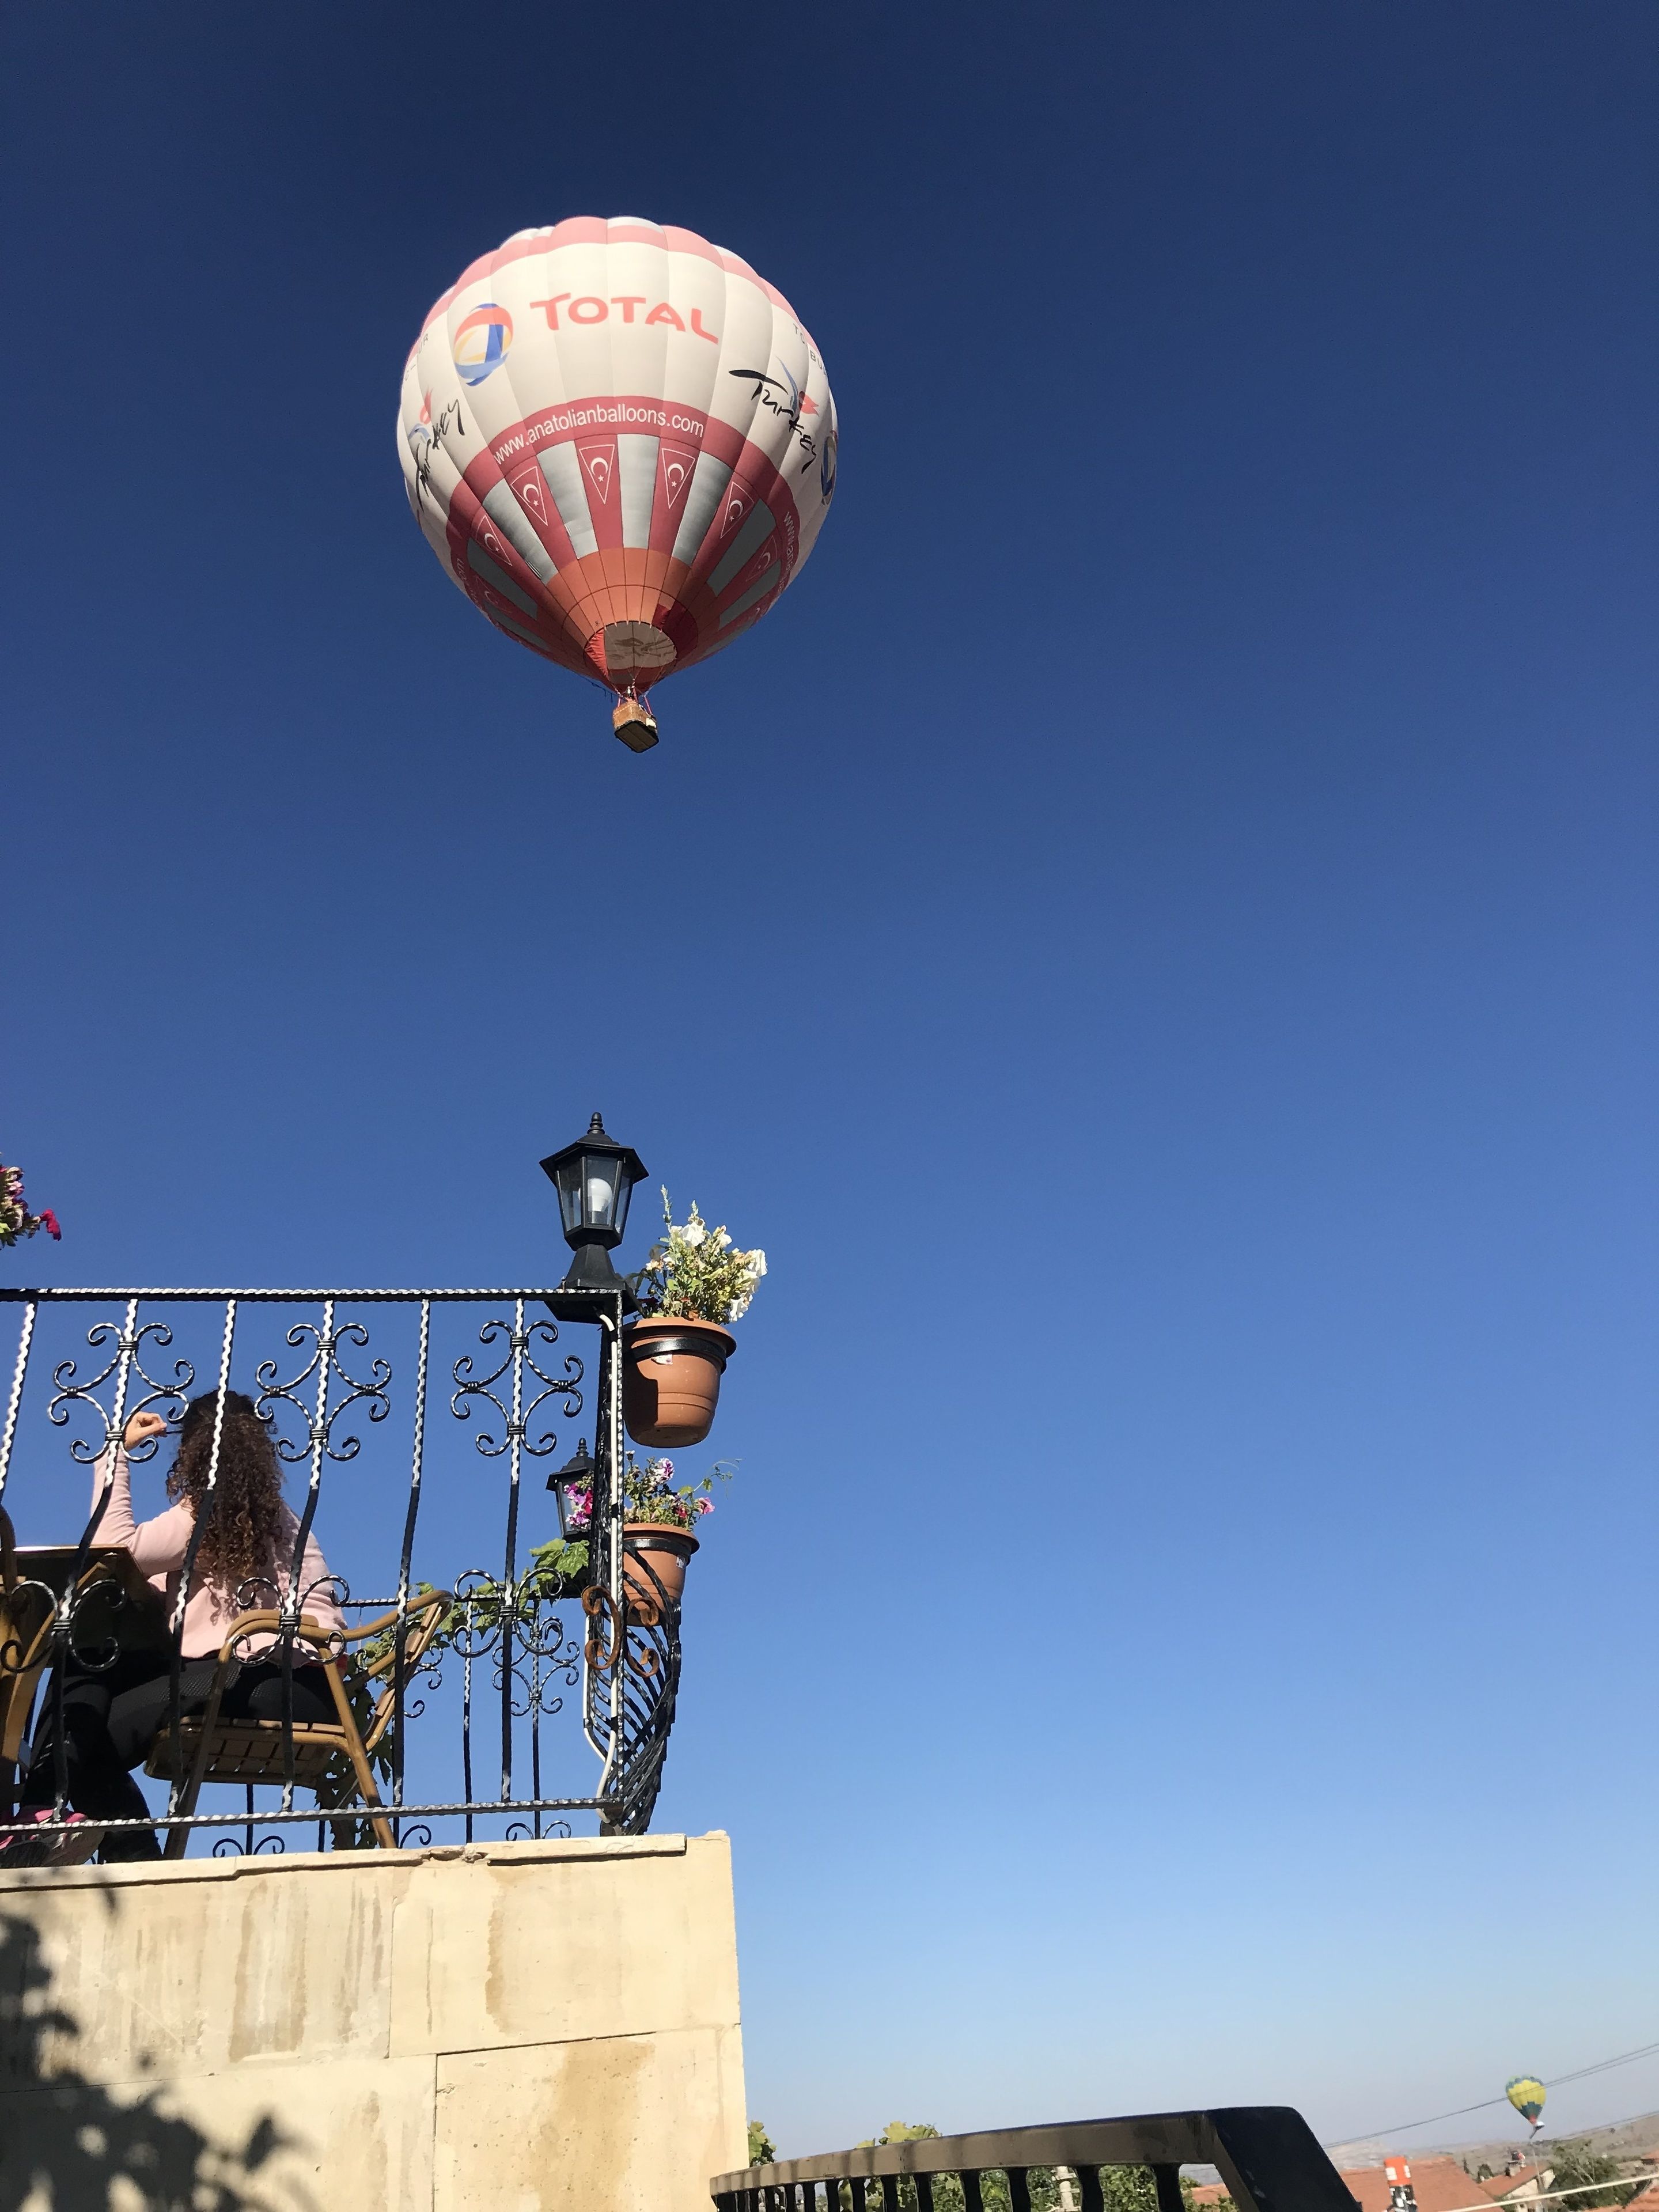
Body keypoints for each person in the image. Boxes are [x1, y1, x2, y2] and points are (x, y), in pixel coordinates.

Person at [7, 1390, 344, 1865]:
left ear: (194, 1451)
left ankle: (69, 1825)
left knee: (88, 1720)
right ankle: (50, 1818)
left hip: (262, 1677)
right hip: (295, 1680)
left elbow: (112, 1550)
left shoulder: (207, 1512)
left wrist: (116, 1451)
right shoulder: (276, 1517)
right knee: (87, 1665)